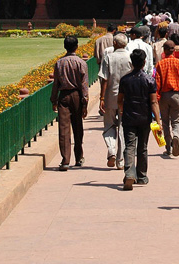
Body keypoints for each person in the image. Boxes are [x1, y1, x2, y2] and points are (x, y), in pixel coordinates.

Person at [118, 49, 161, 190]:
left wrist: (122, 111)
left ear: (131, 63)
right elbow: (154, 102)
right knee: (142, 147)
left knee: (130, 146)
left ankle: (130, 173)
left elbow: (120, 100)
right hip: (144, 117)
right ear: (144, 63)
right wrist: (158, 121)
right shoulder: (149, 80)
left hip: (129, 117)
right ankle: (142, 176)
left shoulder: (125, 80)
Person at [50, 35, 90, 171]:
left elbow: (56, 83)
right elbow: (84, 85)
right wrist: (85, 103)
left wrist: (54, 100)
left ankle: (65, 160)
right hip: (77, 95)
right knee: (77, 126)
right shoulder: (81, 63)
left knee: (64, 128)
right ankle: (78, 157)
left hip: (64, 96)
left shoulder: (59, 63)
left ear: (65, 47)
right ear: (77, 46)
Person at [99, 33, 132, 168]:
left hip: (111, 96)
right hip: (126, 97)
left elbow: (104, 79)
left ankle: (112, 150)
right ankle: (120, 160)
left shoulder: (109, 57)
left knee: (109, 125)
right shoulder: (130, 57)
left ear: (115, 44)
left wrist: (102, 97)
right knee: (123, 127)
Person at [155, 40, 179, 157]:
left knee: (165, 123)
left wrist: (156, 97)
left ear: (165, 50)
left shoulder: (160, 64)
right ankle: (176, 135)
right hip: (177, 95)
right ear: (173, 51)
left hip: (164, 96)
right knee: (176, 121)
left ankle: (168, 147)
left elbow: (157, 82)